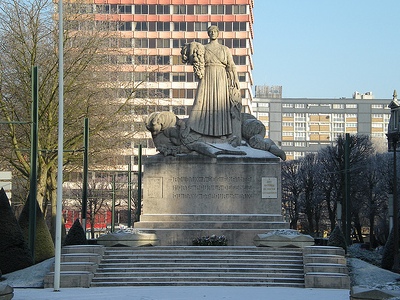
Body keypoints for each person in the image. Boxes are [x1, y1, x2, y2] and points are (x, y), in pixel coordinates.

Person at [182, 25, 241, 139]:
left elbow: (231, 65)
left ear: (218, 33)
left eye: (215, 31)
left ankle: (221, 132)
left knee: (220, 104)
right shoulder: (203, 48)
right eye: (211, 31)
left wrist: (236, 79)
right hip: (207, 76)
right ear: (208, 34)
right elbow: (195, 59)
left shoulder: (224, 49)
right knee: (203, 102)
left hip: (221, 77)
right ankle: (200, 129)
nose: (213, 33)